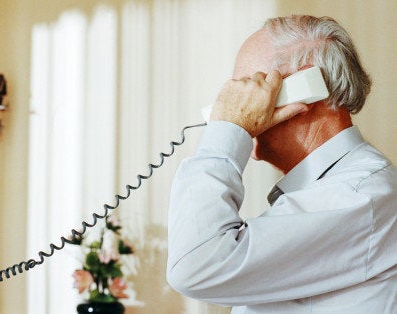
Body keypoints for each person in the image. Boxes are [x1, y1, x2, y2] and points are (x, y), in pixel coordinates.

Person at [166, 15, 395, 313]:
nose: (233, 101)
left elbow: (195, 266)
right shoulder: (327, 191)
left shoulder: (359, 195)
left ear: (306, 88)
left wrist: (227, 132)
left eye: (251, 84)